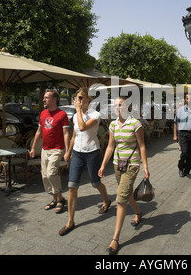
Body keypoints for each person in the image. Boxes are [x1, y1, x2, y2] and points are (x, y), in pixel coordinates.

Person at [98, 96, 149, 255]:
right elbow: (110, 146)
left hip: (132, 165)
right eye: (115, 106)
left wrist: (145, 166)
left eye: (120, 105)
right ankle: (138, 213)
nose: (116, 108)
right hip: (117, 165)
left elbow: (142, 146)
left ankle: (115, 239)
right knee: (126, 194)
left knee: (120, 198)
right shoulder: (113, 125)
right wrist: (103, 164)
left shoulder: (135, 124)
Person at [58, 88, 112, 236]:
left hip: (92, 152)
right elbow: (75, 135)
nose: (79, 101)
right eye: (77, 98)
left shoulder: (95, 115)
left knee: (95, 183)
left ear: (89, 99)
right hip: (77, 153)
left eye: (81, 98)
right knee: (72, 186)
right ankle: (70, 221)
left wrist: (78, 111)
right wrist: (68, 152)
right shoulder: (76, 116)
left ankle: (106, 200)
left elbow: (82, 127)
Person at [30, 89, 69, 214]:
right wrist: (33, 148)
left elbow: (66, 133)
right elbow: (39, 132)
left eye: (46, 97)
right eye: (44, 98)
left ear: (54, 99)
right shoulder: (43, 113)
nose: (43, 100)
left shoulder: (62, 114)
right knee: (45, 176)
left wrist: (68, 151)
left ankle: (59, 199)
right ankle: (57, 198)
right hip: (45, 150)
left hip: (57, 149)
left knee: (52, 173)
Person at [173, 93, 191, 178]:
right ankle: (181, 166)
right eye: (187, 98)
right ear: (185, 100)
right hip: (182, 133)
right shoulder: (180, 110)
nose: (189, 100)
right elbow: (175, 123)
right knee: (184, 152)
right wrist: (175, 135)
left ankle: (187, 171)